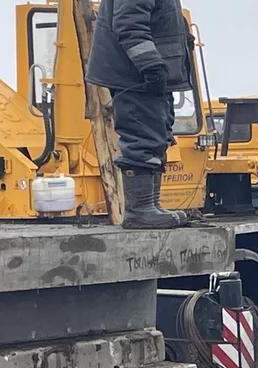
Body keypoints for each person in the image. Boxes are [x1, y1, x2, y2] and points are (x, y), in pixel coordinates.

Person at [86, 0, 193, 230]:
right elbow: (130, 25)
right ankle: (140, 210)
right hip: (134, 76)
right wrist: (151, 65)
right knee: (142, 135)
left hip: (144, 76)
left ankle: (149, 206)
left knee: (155, 133)